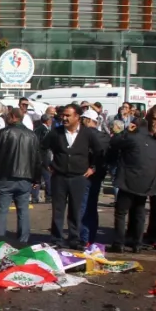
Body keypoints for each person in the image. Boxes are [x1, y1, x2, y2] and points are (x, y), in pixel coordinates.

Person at [109, 109, 156, 252]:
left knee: (121, 213)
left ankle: (119, 243)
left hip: (127, 181)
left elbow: (114, 142)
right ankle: (137, 244)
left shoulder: (131, 138)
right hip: (146, 183)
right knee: (140, 213)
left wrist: (126, 131)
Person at [42, 105, 98, 248]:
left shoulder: (88, 133)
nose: (64, 118)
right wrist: (48, 164)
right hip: (59, 176)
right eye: (63, 115)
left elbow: (99, 152)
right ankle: (57, 239)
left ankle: (74, 238)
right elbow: (42, 148)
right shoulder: (56, 133)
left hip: (79, 177)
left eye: (68, 116)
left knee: (76, 210)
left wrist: (93, 168)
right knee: (58, 210)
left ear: (77, 117)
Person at [0, 106, 42, 243]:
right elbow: (37, 159)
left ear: (12, 117)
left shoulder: (4, 133)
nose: (5, 118)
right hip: (25, 178)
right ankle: (23, 241)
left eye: (7, 116)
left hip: (6, 176)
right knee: (23, 211)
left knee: (2, 210)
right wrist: (36, 178)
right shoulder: (32, 135)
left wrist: (1, 159)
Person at [77, 109, 111, 246]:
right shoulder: (104, 136)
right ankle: (91, 237)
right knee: (92, 206)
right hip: (98, 175)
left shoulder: (82, 135)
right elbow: (107, 155)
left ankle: (83, 238)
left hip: (84, 173)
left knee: (82, 206)